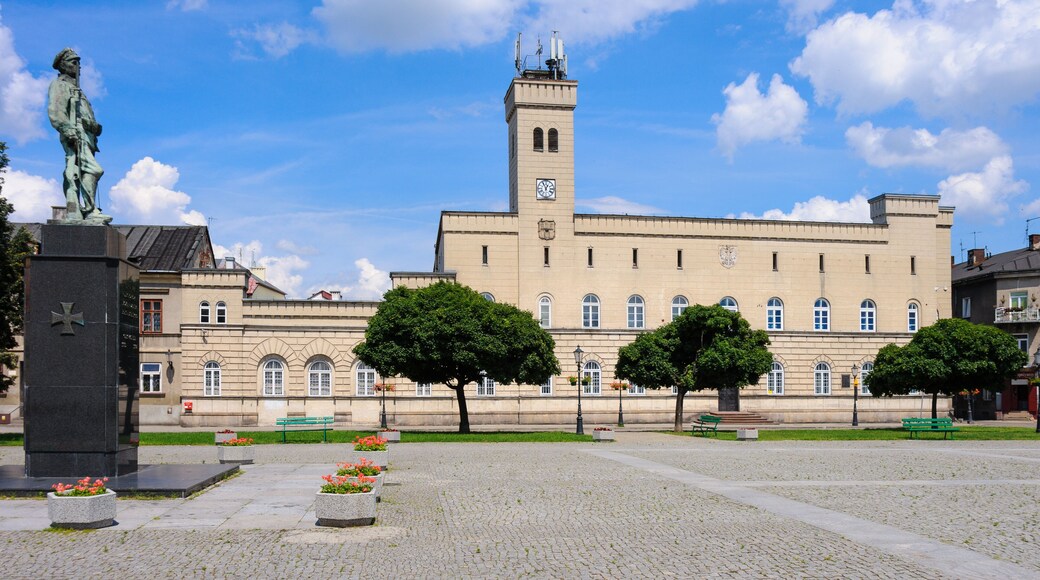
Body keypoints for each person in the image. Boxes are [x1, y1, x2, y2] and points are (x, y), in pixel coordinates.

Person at [47, 48, 111, 224]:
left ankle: (78, 210)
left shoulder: (76, 89)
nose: (78, 67)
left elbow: (86, 115)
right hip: (75, 134)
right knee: (89, 170)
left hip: (87, 137)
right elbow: (56, 111)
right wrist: (67, 130)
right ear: (62, 65)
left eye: (78, 63)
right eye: (73, 62)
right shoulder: (60, 85)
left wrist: (94, 127)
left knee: (79, 172)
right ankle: (88, 211)